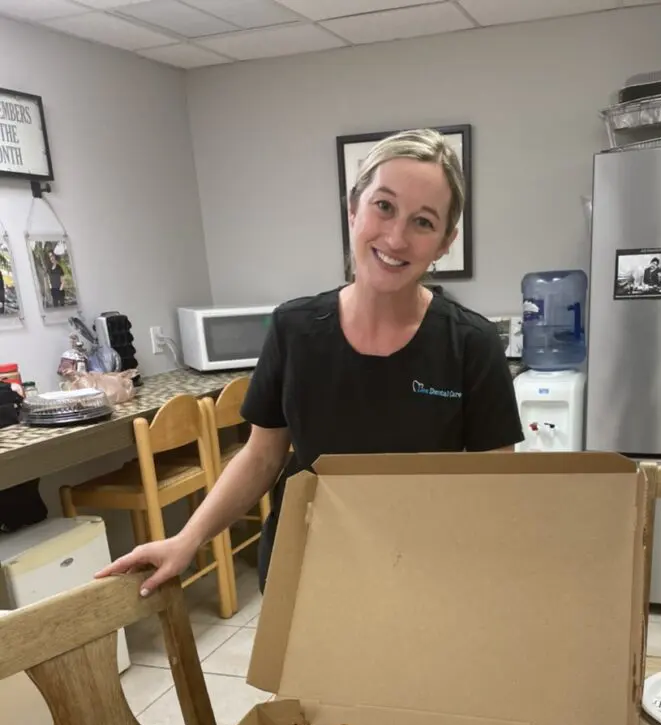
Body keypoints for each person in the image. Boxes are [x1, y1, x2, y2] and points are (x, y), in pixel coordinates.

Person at [99, 129, 523, 597]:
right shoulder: (294, 329)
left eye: (423, 222)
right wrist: (188, 538)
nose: (396, 237)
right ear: (352, 209)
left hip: (421, 572)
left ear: (446, 242)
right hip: (304, 567)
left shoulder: (471, 344)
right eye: (383, 206)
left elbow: (493, 489)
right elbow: (261, 457)